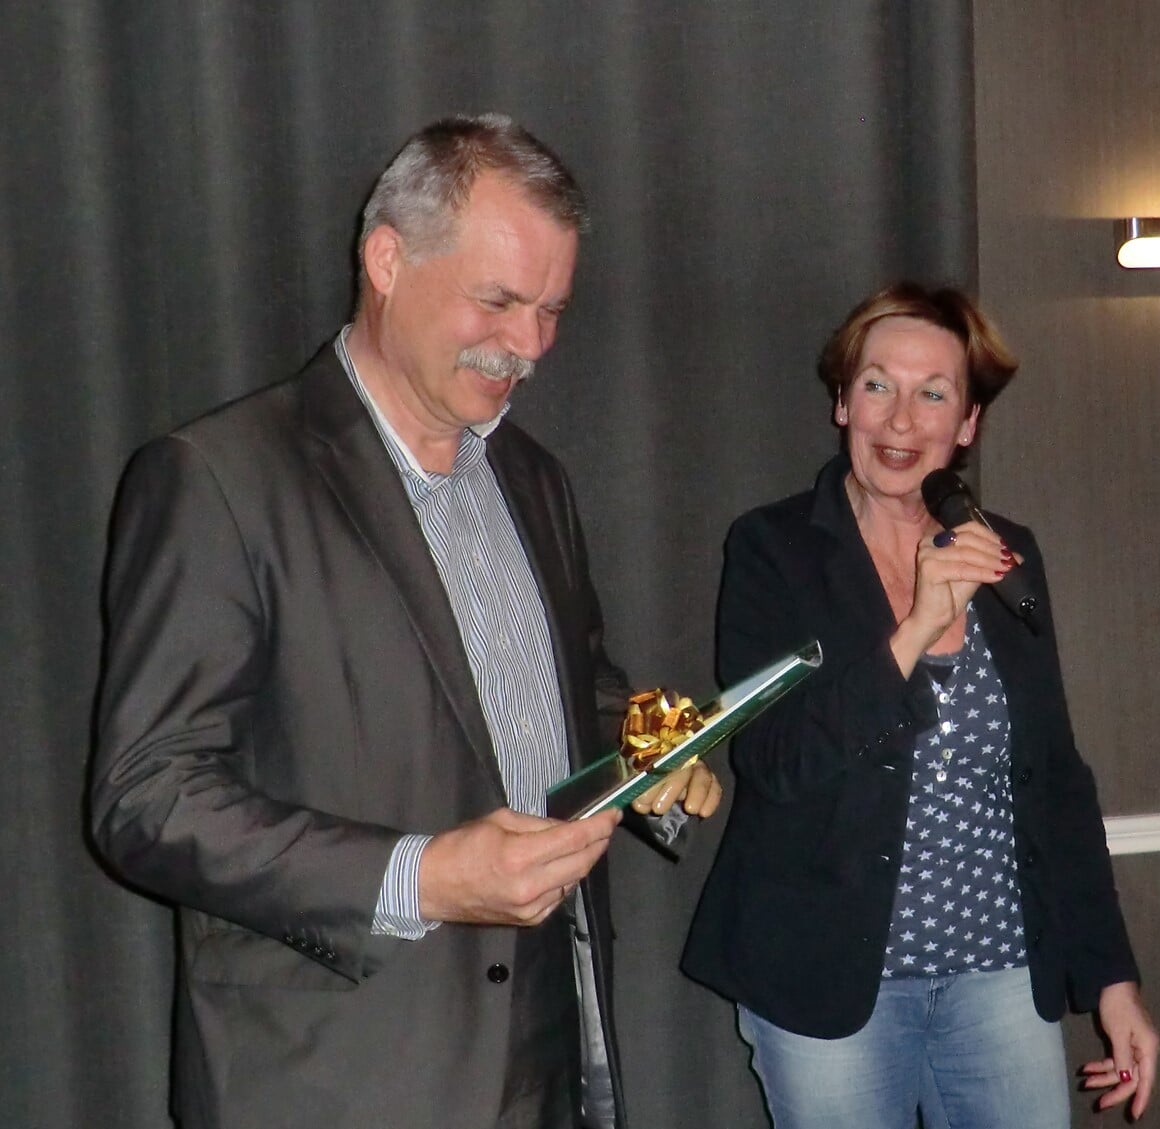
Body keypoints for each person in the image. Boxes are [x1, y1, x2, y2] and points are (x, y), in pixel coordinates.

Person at [90, 114, 719, 1129]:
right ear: (387, 258)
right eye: (499, 301)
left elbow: (574, 685)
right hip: (337, 1083)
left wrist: (653, 737)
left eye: (553, 309)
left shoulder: (534, 478)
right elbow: (147, 797)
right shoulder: (218, 478)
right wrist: (422, 876)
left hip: (549, 1059)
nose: (530, 345)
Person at [682, 282, 1160, 1126]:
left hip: (1001, 975)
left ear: (967, 423)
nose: (901, 419)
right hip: (827, 982)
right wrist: (916, 629)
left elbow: (1054, 781)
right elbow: (774, 759)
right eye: (878, 385)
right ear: (842, 402)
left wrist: (1113, 979)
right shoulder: (772, 549)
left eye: (933, 393)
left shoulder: (1008, 555)